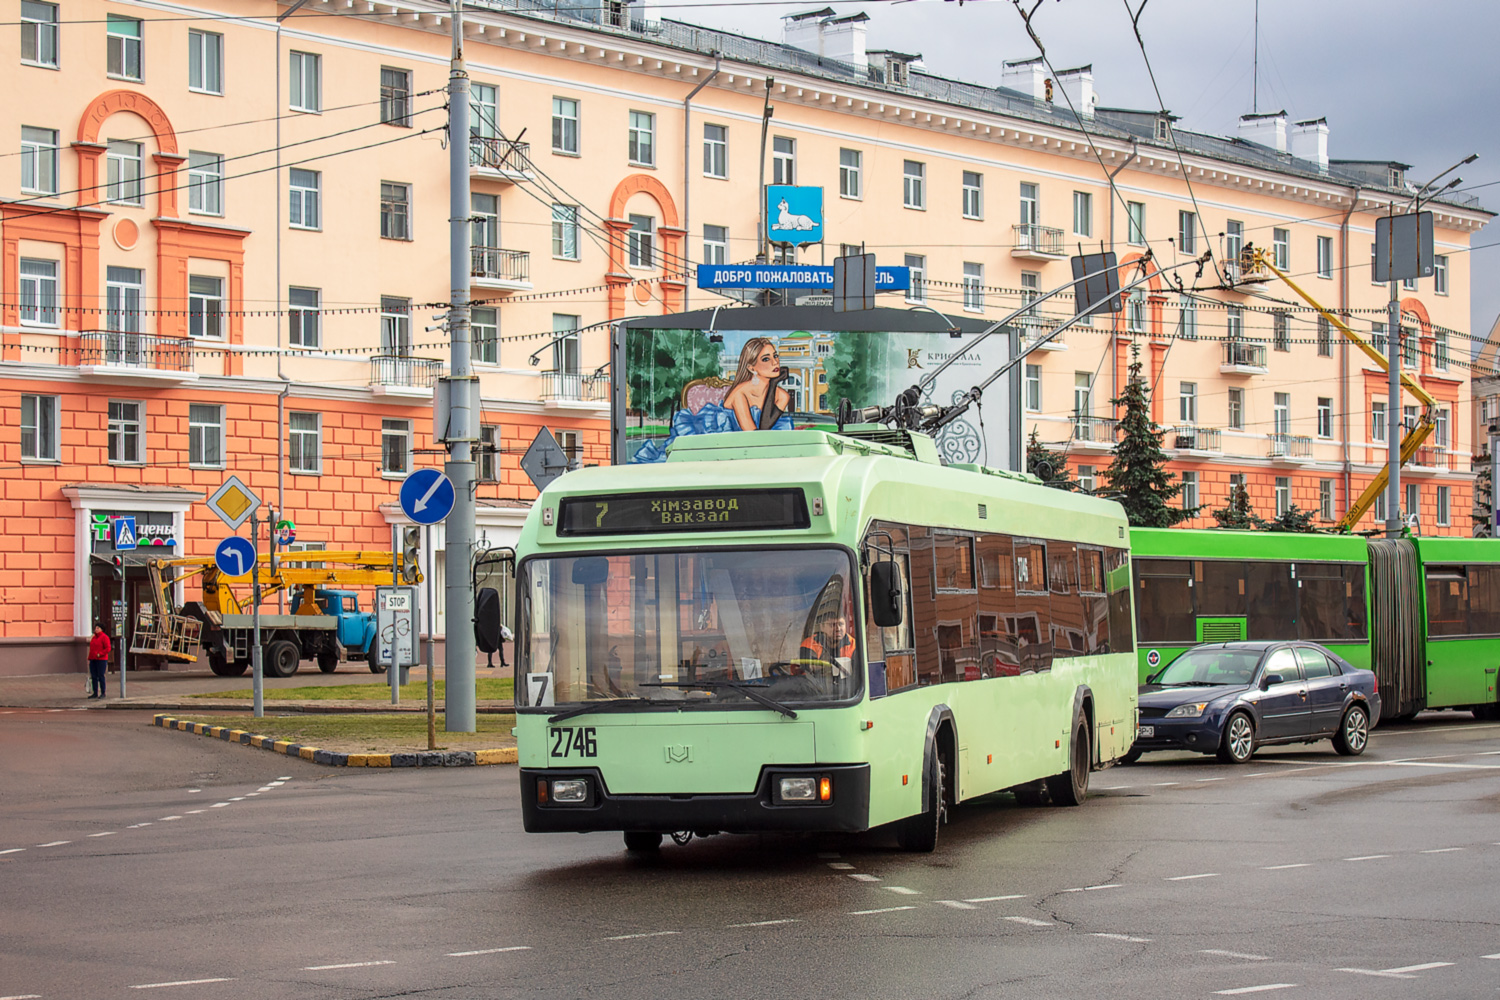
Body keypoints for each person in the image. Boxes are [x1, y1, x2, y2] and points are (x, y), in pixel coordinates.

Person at [722, 337, 794, 432]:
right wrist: (773, 384)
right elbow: (754, 435)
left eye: (775, 356)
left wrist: (772, 385)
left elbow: (765, 427)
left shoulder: (782, 396)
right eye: (766, 359)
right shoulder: (740, 393)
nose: (775, 362)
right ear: (751, 368)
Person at [87, 624, 111, 699]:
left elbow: (108, 648)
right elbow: (92, 649)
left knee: (101, 676)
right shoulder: (94, 637)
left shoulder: (104, 637)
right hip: (93, 659)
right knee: (94, 676)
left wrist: (100, 654)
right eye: (96, 627)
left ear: (102, 629)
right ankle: (95, 692)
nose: (96, 629)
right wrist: (89, 658)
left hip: (101, 659)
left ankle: (103, 692)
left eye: (98, 628)